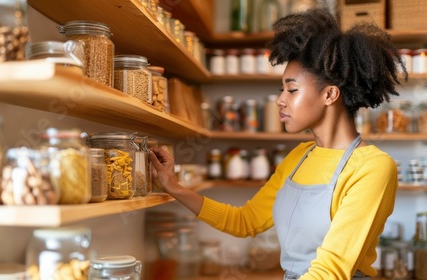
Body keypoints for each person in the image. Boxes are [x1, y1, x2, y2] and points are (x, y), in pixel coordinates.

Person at [148, 7, 407, 280]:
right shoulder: (300, 157)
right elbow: (245, 221)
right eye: (281, 90)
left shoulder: (373, 168)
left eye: (292, 89)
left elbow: (330, 270)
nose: (280, 100)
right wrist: (173, 186)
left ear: (330, 94)